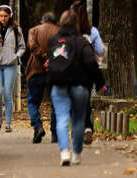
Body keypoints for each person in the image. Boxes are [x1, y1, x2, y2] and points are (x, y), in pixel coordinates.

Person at [48, 10, 107, 166]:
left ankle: (64, 152)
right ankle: (76, 154)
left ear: (60, 22)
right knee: (78, 120)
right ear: (77, 23)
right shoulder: (82, 41)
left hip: (59, 85)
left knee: (61, 118)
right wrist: (100, 83)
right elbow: (91, 64)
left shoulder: (54, 40)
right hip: (80, 85)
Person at [0, 5, 26, 133]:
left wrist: (16, 56)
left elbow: (22, 47)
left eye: (6, 16)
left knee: (8, 94)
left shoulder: (16, 29)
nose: (3, 18)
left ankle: (8, 122)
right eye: (1, 16)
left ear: (10, 16)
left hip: (11, 64)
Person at [71, 0, 104, 144]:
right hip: (88, 70)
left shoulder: (67, 31)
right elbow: (100, 50)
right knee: (85, 99)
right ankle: (88, 127)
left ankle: (77, 129)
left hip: (71, 70)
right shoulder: (93, 31)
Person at [26, 11, 60, 143]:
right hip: (56, 71)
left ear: (42, 21)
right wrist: (51, 58)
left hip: (36, 70)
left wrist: (45, 57)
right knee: (56, 102)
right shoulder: (60, 31)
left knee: (33, 101)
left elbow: (32, 46)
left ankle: (38, 126)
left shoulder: (33, 30)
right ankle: (55, 134)